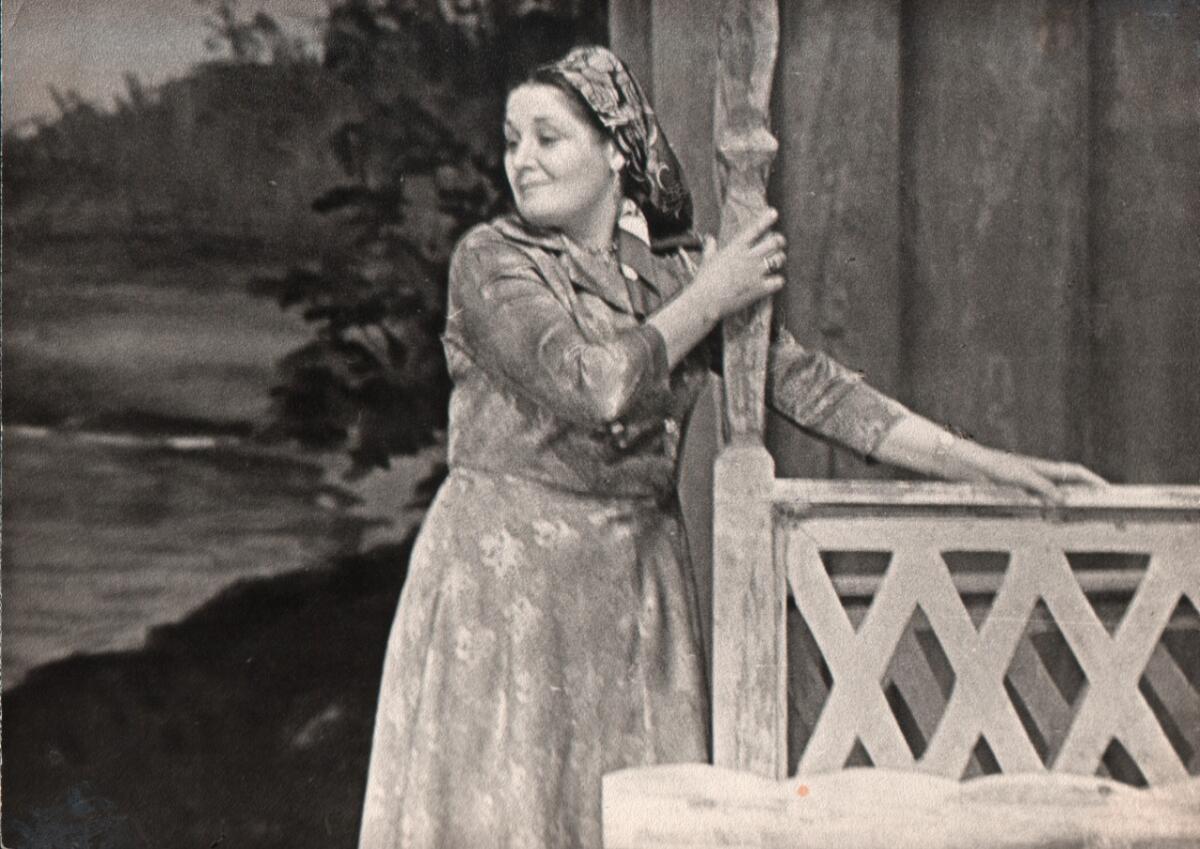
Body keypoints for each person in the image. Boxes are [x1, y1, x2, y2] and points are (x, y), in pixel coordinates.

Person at [356, 45, 1104, 849]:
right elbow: (593, 384)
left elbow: (814, 389)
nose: (522, 161)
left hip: (634, 583)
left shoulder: (674, 269)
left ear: (617, 149)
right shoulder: (493, 261)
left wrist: (981, 462)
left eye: (547, 137)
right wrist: (710, 297)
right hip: (506, 584)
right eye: (511, 141)